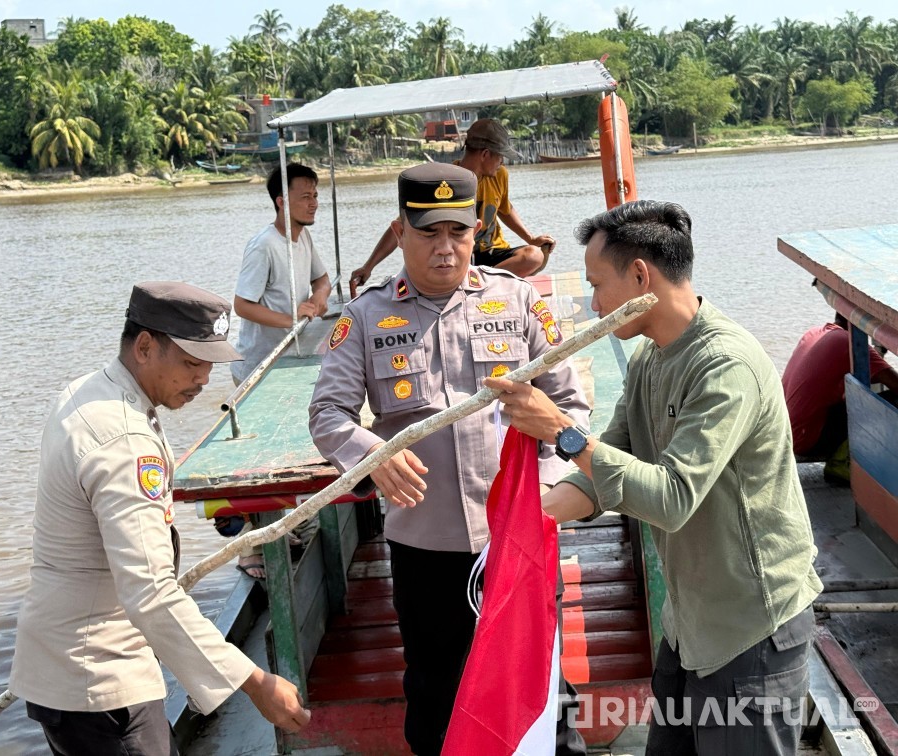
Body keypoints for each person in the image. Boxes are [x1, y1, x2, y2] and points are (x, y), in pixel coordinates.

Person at [486, 200, 823, 756]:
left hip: (749, 631)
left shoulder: (725, 366)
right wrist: (515, 530)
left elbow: (670, 498)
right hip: (688, 625)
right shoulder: (651, 358)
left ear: (641, 276)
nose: (594, 305)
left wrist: (561, 430)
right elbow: (607, 467)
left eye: (598, 285)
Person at [309, 162, 590, 755]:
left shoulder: (517, 301)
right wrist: (371, 455)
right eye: (429, 234)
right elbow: (328, 415)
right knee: (435, 695)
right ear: (400, 231)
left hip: (515, 538)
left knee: (539, 690)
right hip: (424, 549)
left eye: (458, 234)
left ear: (477, 231)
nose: (445, 250)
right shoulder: (363, 317)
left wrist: (551, 489)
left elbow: (571, 407)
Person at [10, 282, 310, 756]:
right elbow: (149, 591)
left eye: (210, 364)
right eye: (192, 363)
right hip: (102, 681)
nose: (204, 379)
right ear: (145, 346)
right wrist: (253, 682)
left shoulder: (87, 393)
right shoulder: (124, 441)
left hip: (61, 667)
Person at [231, 162, 332, 578]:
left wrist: (319, 299)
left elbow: (322, 280)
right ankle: (249, 550)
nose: (313, 202)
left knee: (286, 449)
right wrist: (293, 318)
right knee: (254, 458)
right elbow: (242, 304)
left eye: (314, 195)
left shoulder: (303, 237)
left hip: (288, 362)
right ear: (281, 201)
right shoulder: (264, 246)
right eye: (305, 196)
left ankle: (276, 530)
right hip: (258, 365)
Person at [348, 118, 556, 296]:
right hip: (459, 256)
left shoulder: (500, 176)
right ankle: (473, 282)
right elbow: (405, 224)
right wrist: (369, 266)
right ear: (485, 154)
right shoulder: (446, 183)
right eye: (500, 156)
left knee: (534, 256)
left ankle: (480, 283)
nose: (501, 162)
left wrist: (531, 238)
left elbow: (505, 208)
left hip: (492, 254)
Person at [782, 311, 898, 459]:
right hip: (806, 442)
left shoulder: (814, 333)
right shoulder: (849, 343)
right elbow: (894, 383)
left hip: (786, 436)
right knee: (890, 400)